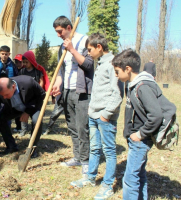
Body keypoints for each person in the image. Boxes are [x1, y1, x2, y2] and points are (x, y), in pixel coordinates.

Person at [70, 33, 124, 200]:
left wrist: (106, 115)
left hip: (105, 118)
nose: (88, 54)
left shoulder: (113, 64)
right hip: (94, 115)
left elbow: (118, 94)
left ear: (99, 47)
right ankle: (91, 178)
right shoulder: (99, 64)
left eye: (90, 50)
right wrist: (92, 110)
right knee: (94, 148)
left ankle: (107, 185)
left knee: (108, 151)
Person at [112, 49, 167, 199]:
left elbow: (156, 115)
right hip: (136, 138)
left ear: (127, 69)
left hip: (141, 140)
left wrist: (140, 134)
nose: (116, 75)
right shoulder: (132, 84)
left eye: (117, 71)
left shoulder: (142, 86)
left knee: (130, 179)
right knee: (140, 175)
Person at [51, 16, 94, 171]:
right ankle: (77, 156)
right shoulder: (62, 47)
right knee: (72, 126)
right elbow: (61, 70)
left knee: (83, 126)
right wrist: (58, 83)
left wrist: (72, 50)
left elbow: (88, 64)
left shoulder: (85, 41)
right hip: (67, 91)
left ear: (69, 28)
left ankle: (85, 160)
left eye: (60, 31)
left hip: (82, 90)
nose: (58, 35)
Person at [0, 76, 45, 158]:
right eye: (2, 96)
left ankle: (32, 148)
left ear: (13, 87)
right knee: (0, 118)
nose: (4, 98)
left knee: (37, 121)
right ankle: (11, 146)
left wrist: (27, 112)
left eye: (6, 95)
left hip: (32, 107)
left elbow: (41, 95)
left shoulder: (28, 82)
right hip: (15, 108)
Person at [18, 51, 50, 137]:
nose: (24, 64)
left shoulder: (37, 71)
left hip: (35, 97)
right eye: (23, 62)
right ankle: (23, 130)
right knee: (23, 114)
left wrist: (38, 90)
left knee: (35, 117)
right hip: (25, 97)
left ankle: (34, 133)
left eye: (26, 62)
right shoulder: (22, 71)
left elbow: (41, 81)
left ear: (31, 60)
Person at [13, 54, 23, 133]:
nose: (18, 63)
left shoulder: (24, 70)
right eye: (16, 62)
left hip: (24, 93)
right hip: (16, 93)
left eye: (19, 62)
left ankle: (23, 127)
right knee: (16, 109)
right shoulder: (14, 69)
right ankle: (18, 126)